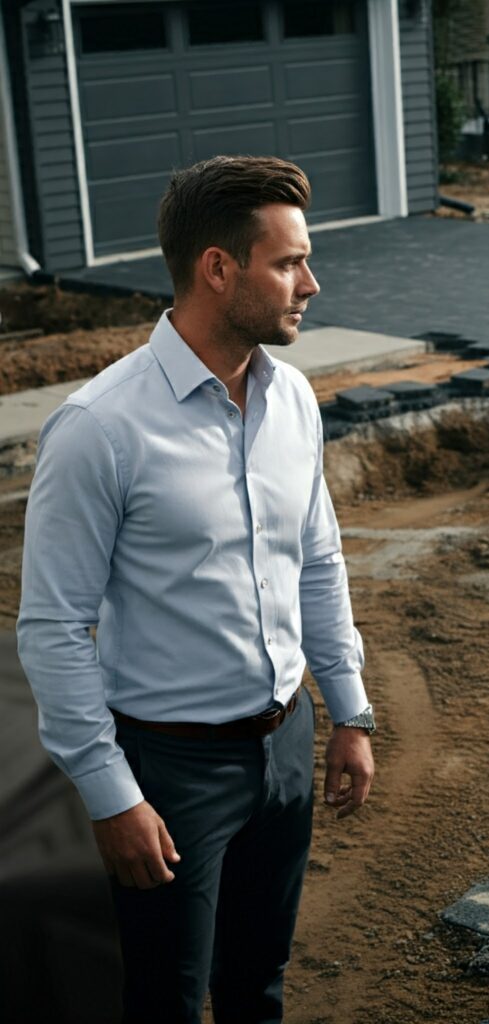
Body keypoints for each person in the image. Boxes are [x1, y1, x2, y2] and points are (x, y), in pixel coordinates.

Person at [17, 155, 376, 1024]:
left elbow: (317, 561)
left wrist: (350, 714)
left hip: (286, 745)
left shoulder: (293, 399)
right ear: (218, 268)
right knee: (165, 1002)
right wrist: (113, 794)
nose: (311, 283)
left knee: (259, 984)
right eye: (289, 262)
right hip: (168, 773)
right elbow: (53, 628)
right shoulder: (99, 429)